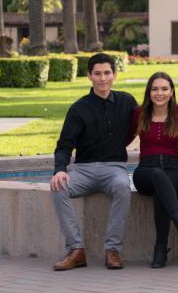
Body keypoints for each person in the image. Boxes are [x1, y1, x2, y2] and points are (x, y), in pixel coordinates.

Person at [50, 53, 137, 270]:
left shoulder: (127, 102)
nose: (102, 78)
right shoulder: (79, 108)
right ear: (89, 76)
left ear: (114, 74)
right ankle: (76, 250)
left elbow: (143, 126)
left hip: (114, 168)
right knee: (58, 187)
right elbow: (64, 145)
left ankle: (113, 250)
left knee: (122, 186)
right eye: (97, 73)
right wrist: (60, 170)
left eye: (107, 73)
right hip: (83, 170)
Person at [130, 72, 178, 268]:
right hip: (146, 171)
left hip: (174, 169)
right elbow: (122, 139)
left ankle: (160, 249)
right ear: (149, 92)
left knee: (162, 191)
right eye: (155, 89)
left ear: (172, 91)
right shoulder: (139, 113)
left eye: (164, 89)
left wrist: (172, 152)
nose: (160, 93)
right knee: (158, 175)